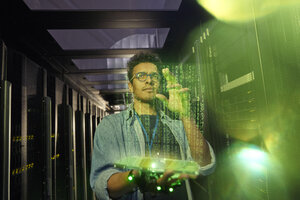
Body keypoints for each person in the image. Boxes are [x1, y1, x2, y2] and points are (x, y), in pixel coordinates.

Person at [90, 53, 216, 200]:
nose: (149, 80)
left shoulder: (178, 126)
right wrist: (137, 177)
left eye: (154, 76)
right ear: (130, 86)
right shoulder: (111, 125)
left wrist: (185, 115)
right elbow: (102, 186)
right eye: (141, 76)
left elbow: (205, 165)